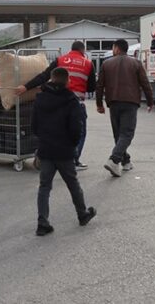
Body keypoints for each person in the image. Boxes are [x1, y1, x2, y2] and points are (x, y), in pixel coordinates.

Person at [32, 67, 96, 236]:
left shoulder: (40, 98)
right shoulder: (71, 100)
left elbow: (34, 126)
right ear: (68, 81)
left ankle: (42, 222)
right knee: (73, 184)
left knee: (44, 186)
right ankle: (82, 214)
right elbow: (76, 128)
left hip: (46, 149)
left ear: (51, 79)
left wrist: (42, 140)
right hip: (64, 150)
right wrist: (73, 145)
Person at [16, 41, 96, 171]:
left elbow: (43, 76)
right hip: (75, 103)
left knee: (55, 130)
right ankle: (73, 160)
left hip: (55, 101)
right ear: (83, 50)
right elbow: (92, 87)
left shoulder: (60, 60)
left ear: (71, 49)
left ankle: (45, 154)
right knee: (79, 132)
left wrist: (25, 87)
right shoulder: (88, 63)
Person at [96, 39, 154, 178]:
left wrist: (99, 104)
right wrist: (150, 101)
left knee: (119, 134)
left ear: (116, 48)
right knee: (127, 133)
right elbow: (145, 83)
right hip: (130, 101)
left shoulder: (107, 63)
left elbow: (99, 85)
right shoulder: (135, 63)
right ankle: (114, 160)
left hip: (113, 102)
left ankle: (126, 161)